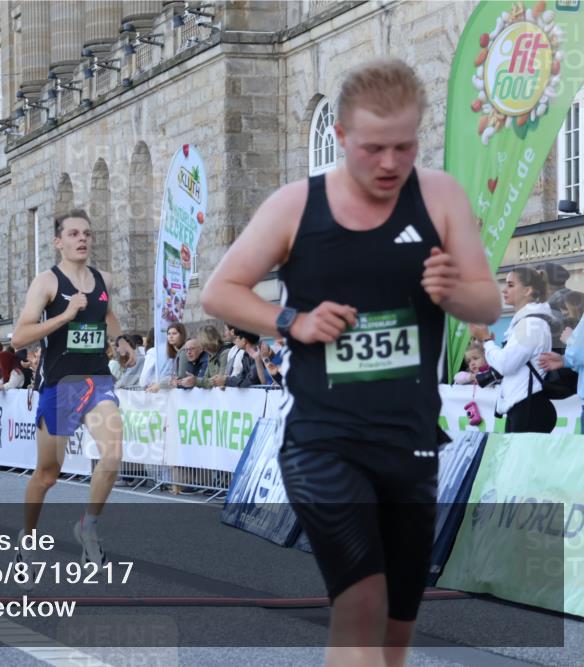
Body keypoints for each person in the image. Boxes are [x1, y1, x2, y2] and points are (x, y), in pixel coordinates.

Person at [201, 59, 500, 665]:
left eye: (404, 147)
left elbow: (486, 302)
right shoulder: (295, 207)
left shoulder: (439, 195)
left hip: (409, 443)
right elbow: (220, 291)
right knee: (360, 602)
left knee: (396, 631)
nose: (390, 163)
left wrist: (451, 292)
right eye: (373, 149)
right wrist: (294, 322)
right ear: (339, 138)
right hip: (323, 442)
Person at [10, 209, 123, 581]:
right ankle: (27, 537)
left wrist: (120, 342)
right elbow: (19, 337)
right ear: (59, 241)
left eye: (87, 233)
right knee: (47, 475)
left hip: (97, 382)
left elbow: (108, 317)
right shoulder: (47, 282)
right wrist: (65, 316)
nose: (82, 239)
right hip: (60, 385)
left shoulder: (104, 279)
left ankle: (88, 526)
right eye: (73, 233)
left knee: (112, 454)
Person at [469, 268, 556, 434]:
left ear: (527, 290)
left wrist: (487, 340)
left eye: (510, 285)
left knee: (522, 460)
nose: (504, 289)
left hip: (529, 408)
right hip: (524, 406)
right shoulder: (526, 322)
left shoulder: (531, 325)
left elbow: (505, 365)